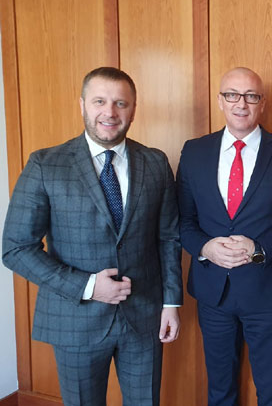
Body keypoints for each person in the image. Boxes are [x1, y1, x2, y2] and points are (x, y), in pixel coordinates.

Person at [2, 67, 183, 406]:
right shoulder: (45, 165)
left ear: (133, 109)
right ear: (82, 104)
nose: (109, 112)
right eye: (100, 101)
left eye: (120, 103)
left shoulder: (156, 163)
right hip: (76, 319)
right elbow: (16, 248)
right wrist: (87, 286)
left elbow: (168, 238)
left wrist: (171, 303)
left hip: (144, 317)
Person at [176, 67, 272, 406]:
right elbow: (182, 221)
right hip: (212, 293)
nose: (241, 103)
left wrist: (259, 249)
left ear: (262, 104)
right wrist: (205, 247)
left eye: (251, 96)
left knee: (271, 390)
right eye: (232, 95)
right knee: (220, 390)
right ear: (220, 101)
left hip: (267, 292)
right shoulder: (194, 151)